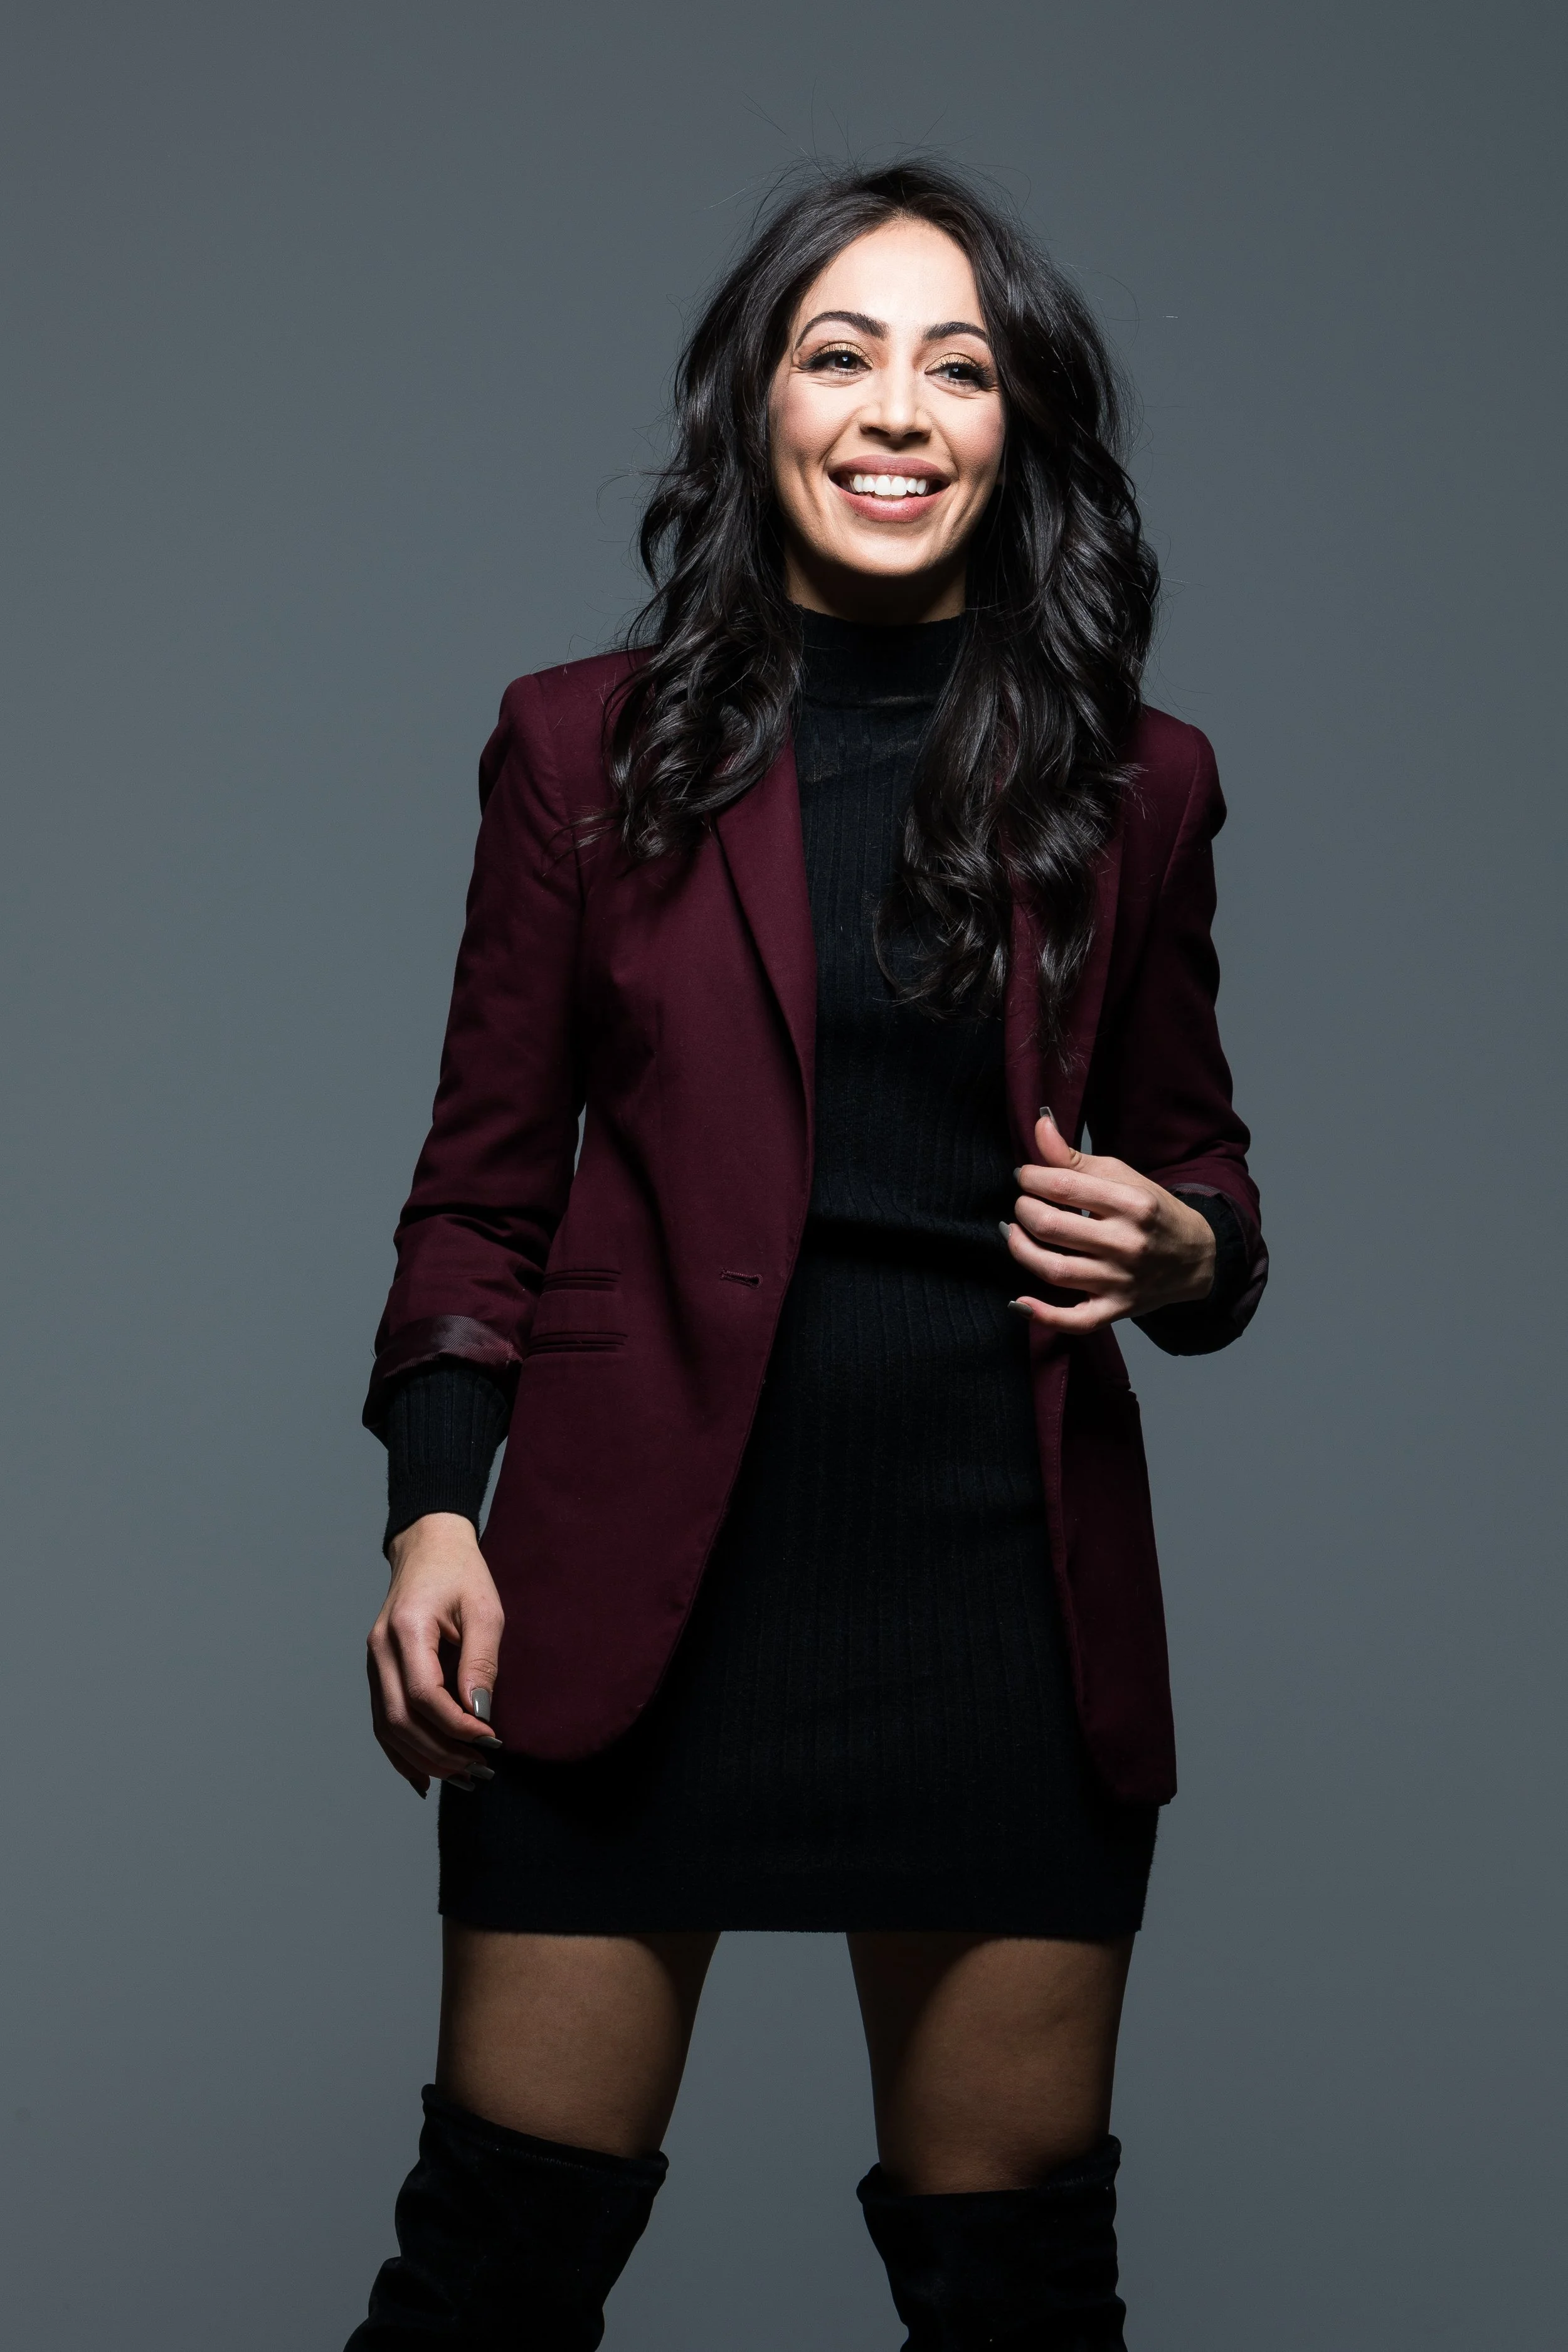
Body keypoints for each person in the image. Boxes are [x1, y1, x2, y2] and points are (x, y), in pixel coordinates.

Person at [347, 160, 1266, 2351]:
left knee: (1015, 2295)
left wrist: (1181, 1248)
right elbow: (480, 1182)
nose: (894, 408)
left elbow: (1209, 1190)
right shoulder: (582, 745)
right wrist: (427, 1518)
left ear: (1017, 430)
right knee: (496, 2269)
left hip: (996, 1606)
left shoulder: (1137, 783)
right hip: (630, 1592)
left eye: (957, 367)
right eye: (836, 352)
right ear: (752, 407)